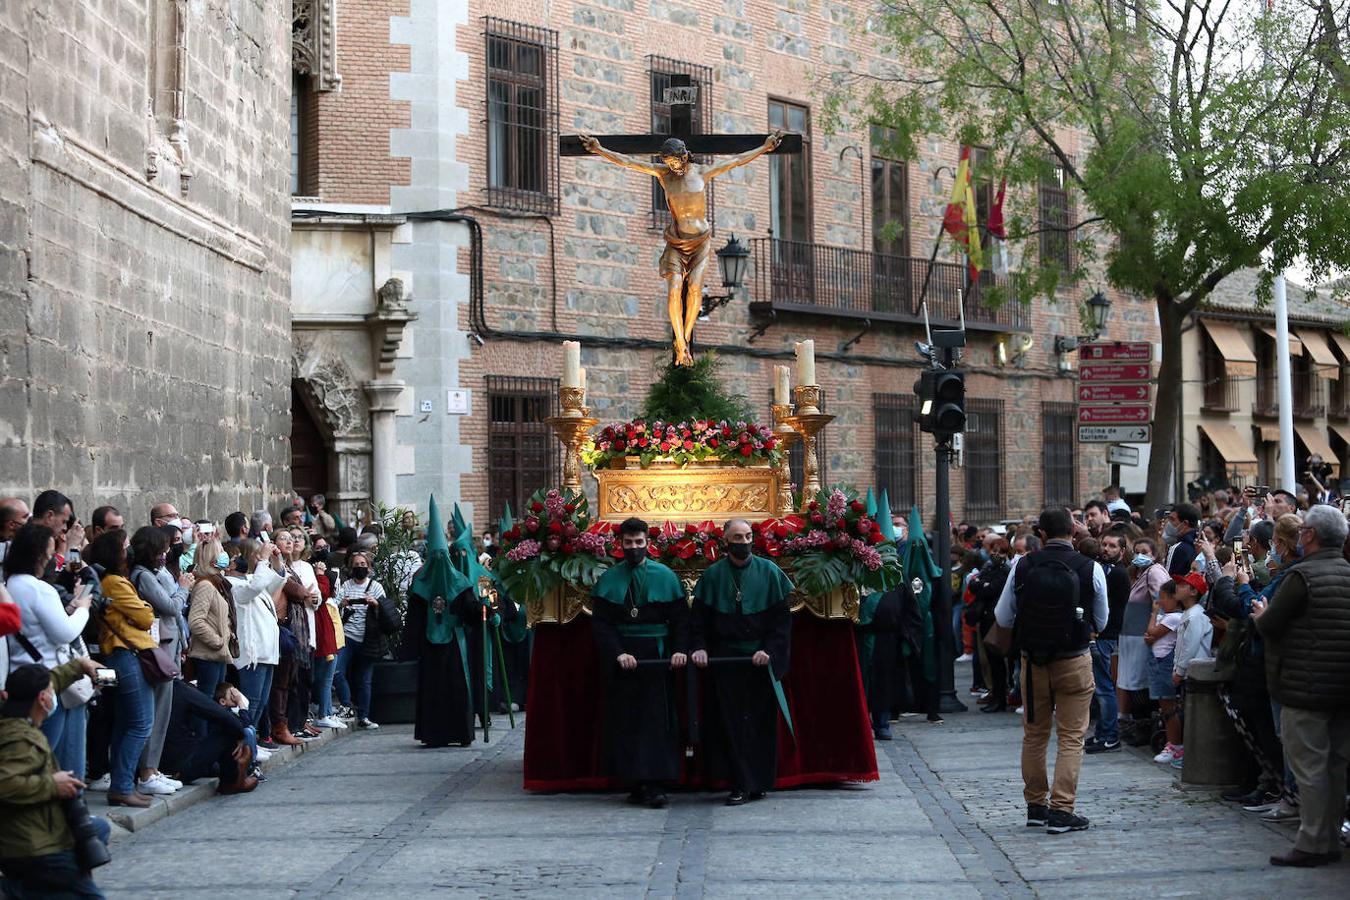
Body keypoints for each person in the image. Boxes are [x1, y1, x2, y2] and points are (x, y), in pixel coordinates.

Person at [994, 507, 1107, 834]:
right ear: (1074, 531)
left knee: (1035, 735)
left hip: (1034, 663)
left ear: (1040, 534)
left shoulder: (1022, 565)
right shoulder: (1091, 568)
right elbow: (1102, 619)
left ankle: (1036, 806)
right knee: (1072, 737)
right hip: (1074, 658)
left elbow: (1003, 617)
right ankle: (1062, 808)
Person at [1252, 504, 1350, 867]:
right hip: (1341, 686)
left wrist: (1261, 614)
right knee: (1335, 767)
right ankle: (1330, 837)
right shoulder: (1347, 572)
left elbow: (1271, 624)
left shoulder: (1301, 577)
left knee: (1309, 767)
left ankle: (1312, 841)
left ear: (1309, 535)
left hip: (1304, 686)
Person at [691, 518, 794, 805]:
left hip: (759, 660)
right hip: (726, 660)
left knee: (759, 724)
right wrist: (699, 648)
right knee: (730, 723)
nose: (744, 542)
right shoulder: (712, 576)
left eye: (748, 536)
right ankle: (739, 782)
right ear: (726, 541)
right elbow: (699, 621)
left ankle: (759, 781)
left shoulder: (770, 572)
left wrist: (769, 651)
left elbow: (781, 622)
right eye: (737, 537)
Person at [590, 517, 689, 807]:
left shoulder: (665, 576)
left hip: (656, 656)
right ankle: (635, 780)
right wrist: (618, 653)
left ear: (648, 543)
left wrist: (678, 650)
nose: (634, 547)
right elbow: (602, 624)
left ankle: (654, 782)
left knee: (657, 721)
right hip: (624, 658)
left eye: (639, 542)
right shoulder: (609, 579)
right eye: (628, 543)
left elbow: (681, 619)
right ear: (620, 544)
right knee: (627, 720)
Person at [0, 657, 109, 899]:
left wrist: (80, 665)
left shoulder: (13, 714)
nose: (53, 694)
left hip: (36, 830)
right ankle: (14, 889)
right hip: (34, 846)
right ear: (42, 699)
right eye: (50, 692)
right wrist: (53, 784)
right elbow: (5, 785)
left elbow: (52, 680)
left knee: (98, 829)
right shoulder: (21, 740)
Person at [4, 524, 94, 779]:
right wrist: (83, 608)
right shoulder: (38, 588)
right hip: (52, 679)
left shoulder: (10, 584)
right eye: (51, 551)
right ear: (40, 554)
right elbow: (65, 632)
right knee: (60, 758)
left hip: (22, 674)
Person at [84, 530, 157, 809]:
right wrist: (146, 605)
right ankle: (123, 786)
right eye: (125, 547)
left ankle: (122, 785)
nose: (129, 550)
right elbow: (145, 615)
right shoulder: (115, 582)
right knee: (140, 723)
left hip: (116, 655)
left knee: (125, 723)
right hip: (126, 655)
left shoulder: (107, 581)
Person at [403, 499, 479, 748]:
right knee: (441, 688)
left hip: (450, 643)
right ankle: (446, 733)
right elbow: (414, 619)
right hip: (440, 644)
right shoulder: (440, 583)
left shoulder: (436, 583)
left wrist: (487, 613)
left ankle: (443, 733)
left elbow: (471, 612)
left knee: (446, 688)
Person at [126, 527, 188, 797]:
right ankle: (147, 771)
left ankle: (153, 767)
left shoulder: (155, 573)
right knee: (157, 712)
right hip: (159, 650)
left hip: (170, 647)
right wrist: (184, 590)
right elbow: (171, 606)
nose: (165, 554)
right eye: (161, 550)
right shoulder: (144, 576)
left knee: (163, 712)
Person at [227, 540, 283, 749]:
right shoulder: (231, 585)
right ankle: (245, 746)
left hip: (267, 650)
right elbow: (255, 587)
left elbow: (274, 583)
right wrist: (264, 560)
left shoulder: (250, 578)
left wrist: (275, 562)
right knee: (251, 700)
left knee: (261, 700)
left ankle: (251, 744)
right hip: (252, 652)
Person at [334, 552, 399, 729]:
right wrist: (342, 604)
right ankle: (347, 705)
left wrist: (376, 604)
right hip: (347, 636)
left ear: (369, 567)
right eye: (356, 564)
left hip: (369, 637)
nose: (360, 567)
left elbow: (386, 611)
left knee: (365, 679)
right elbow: (335, 608)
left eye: (363, 563)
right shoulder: (346, 586)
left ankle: (364, 716)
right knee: (337, 670)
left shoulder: (376, 587)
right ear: (350, 567)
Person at [158, 680, 256, 795]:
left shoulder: (153, 686)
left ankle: (239, 772)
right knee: (229, 732)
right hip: (178, 766)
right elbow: (229, 720)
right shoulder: (179, 689)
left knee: (216, 762)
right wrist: (239, 735)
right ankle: (232, 782)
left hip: (164, 764)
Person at [1085, 532, 1131, 753]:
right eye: (1104, 545)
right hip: (1100, 633)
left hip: (1105, 634)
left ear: (1122, 551)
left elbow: (1109, 607)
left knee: (1104, 688)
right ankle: (1102, 732)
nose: (1106, 549)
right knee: (1100, 687)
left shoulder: (1118, 574)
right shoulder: (1102, 569)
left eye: (1112, 546)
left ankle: (1110, 735)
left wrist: (1099, 631)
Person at [186, 538, 237, 701]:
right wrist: (218, 641)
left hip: (217, 654)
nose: (224, 554)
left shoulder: (216, 584)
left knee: (216, 700)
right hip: (209, 654)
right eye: (220, 551)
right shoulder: (205, 586)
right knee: (207, 700)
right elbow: (196, 621)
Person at [1145, 582, 1185, 764]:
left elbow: (1152, 632)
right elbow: (1151, 636)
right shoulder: (1169, 617)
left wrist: (1153, 613)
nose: (1160, 602)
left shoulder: (1173, 618)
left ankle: (1175, 745)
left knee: (1168, 705)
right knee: (1164, 704)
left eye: (1163, 597)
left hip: (1164, 664)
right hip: (1158, 661)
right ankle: (1173, 743)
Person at [1165, 503, 1201, 575]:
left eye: (1172, 519)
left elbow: (1167, 579)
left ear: (1185, 523)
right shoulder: (1200, 544)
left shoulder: (1178, 548)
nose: (1168, 523)